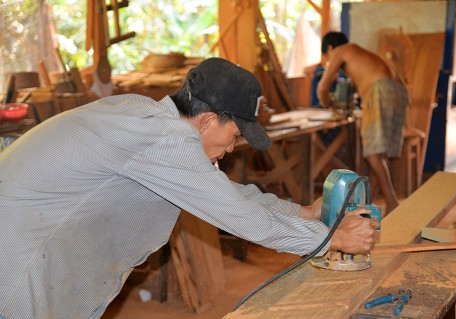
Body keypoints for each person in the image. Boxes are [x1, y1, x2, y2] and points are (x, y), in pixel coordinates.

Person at [0, 57, 378, 319]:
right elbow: (246, 221)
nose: (232, 148)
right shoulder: (166, 140)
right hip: (18, 263)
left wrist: (305, 213)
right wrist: (331, 239)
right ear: (208, 121)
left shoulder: (146, 117)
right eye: (233, 135)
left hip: (31, 248)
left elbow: (227, 196)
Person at [317, 32, 409, 215]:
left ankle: (392, 202)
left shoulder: (343, 50)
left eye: (327, 57)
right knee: (379, 154)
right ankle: (369, 203)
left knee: (373, 153)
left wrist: (326, 104)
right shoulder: (360, 53)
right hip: (400, 91)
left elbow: (322, 88)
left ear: (329, 49)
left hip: (380, 91)